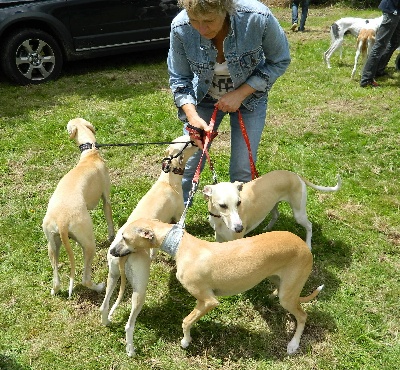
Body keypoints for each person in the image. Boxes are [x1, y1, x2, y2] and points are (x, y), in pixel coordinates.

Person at [167, 0, 290, 204]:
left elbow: (280, 60)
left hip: (250, 100)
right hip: (204, 100)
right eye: (194, 20)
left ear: (225, 9)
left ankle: (239, 224)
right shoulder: (180, 27)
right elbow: (179, 79)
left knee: (242, 169)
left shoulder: (257, 18)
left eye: (208, 20)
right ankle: (177, 221)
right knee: (188, 164)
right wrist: (192, 116)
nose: (201, 28)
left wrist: (241, 93)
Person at [360, 0, 400, 87]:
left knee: (395, 42)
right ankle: (366, 79)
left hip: (397, 10)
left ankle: (378, 70)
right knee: (380, 45)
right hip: (392, 10)